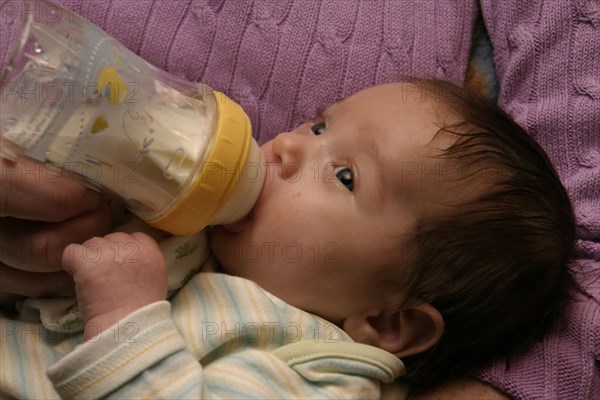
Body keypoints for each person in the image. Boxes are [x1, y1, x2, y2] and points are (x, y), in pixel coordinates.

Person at [2, 1, 598, 399]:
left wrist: (122, 319)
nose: (285, 145)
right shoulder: (219, 255)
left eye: (344, 177)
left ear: (389, 323)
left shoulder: (321, 372)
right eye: (318, 126)